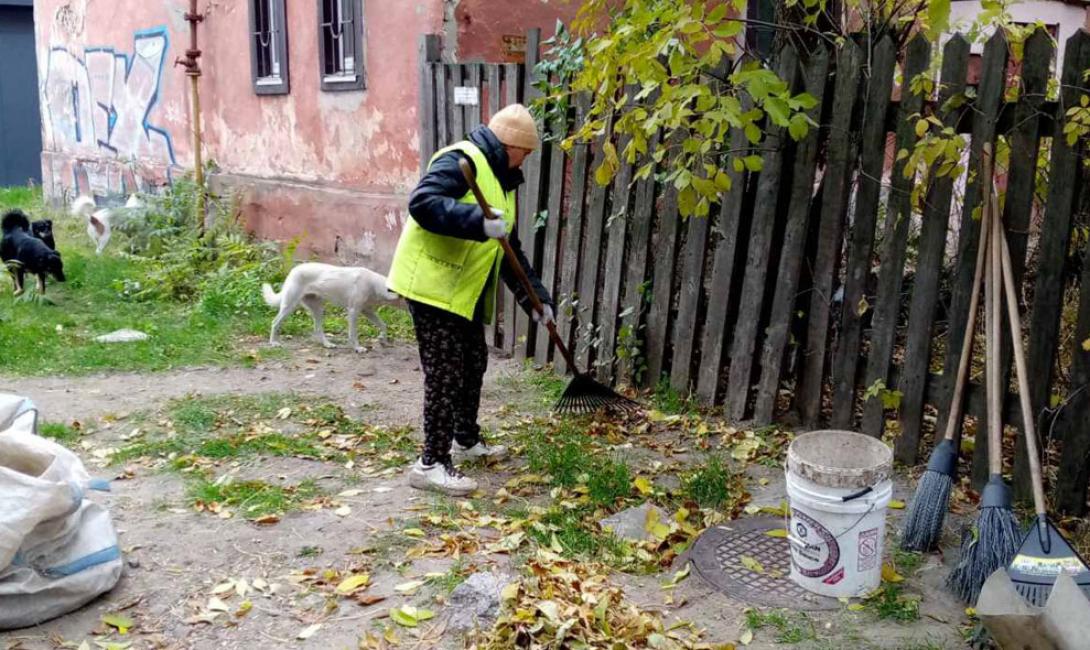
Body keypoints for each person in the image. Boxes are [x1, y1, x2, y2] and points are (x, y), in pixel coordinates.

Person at [387, 104, 555, 496]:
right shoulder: (461, 161)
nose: (527, 158)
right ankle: (430, 463)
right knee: (445, 374)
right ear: (509, 144)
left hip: (459, 291)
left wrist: (536, 300)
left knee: (473, 363)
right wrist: (476, 222)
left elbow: (507, 251)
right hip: (431, 286)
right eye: (525, 151)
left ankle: (465, 438)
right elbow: (423, 203)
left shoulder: (499, 179)